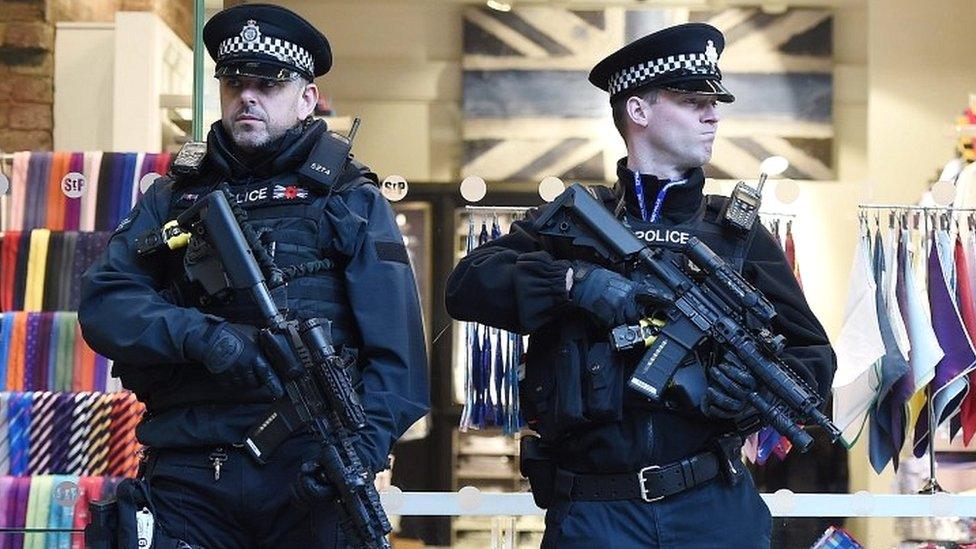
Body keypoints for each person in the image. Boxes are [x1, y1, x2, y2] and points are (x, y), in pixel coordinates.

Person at [445, 23, 835, 548]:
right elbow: (466, 285)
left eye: (714, 102)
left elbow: (813, 353)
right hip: (593, 512)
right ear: (638, 111)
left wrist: (745, 399)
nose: (713, 114)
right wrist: (573, 282)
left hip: (710, 506)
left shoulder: (734, 234)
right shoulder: (573, 227)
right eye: (693, 100)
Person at [79, 3, 429, 547]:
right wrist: (207, 339)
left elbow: (400, 365)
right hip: (189, 472)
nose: (248, 96)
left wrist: (358, 453)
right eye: (235, 81)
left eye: (269, 83)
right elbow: (106, 305)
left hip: (308, 474)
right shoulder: (172, 198)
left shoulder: (349, 199)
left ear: (307, 98)